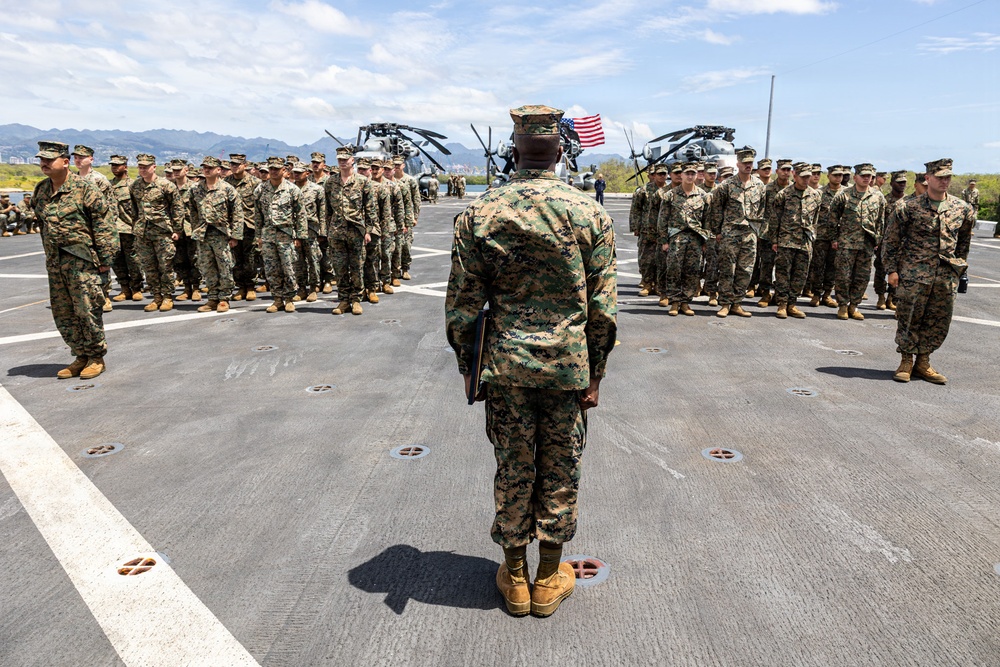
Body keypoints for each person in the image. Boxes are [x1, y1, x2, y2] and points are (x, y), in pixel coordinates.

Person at [445, 105, 617, 619]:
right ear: (561, 150)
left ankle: (515, 578)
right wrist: (595, 374)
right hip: (567, 368)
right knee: (560, 468)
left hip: (506, 367)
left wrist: (469, 369)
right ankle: (548, 578)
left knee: (514, 466)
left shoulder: (481, 212)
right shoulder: (588, 212)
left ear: (514, 149)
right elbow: (603, 313)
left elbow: (461, 310)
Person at [882, 158, 975, 384]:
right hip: (914, 274)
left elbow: (963, 242)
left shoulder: (962, 208)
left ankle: (923, 361)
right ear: (928, 178)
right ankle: (906, 360)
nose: (945, 181)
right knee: (909, 317)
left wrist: (958, 267)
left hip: (945, 276)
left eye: (948, 177)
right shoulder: (908, 207)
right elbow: (891, 241)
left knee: (938, 319)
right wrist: (892, 270)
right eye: (940, 177)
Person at [31, 141, 118, 380]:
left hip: (83, 261)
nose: (44, 164)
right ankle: (80, 355)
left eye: (49, 159)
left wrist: (105, 259)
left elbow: (104, 225)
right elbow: (41, 223)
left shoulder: (85, 188)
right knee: (63, 312)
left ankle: (96, 357)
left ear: (66, 162)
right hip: (56, 263)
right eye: (42, 160)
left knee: (87, 309)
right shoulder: (41, 190)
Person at [710, 146, 767, 318]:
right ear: (738, 164)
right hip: (730, 233)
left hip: (749, 234)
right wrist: (717, 232)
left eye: (750, 163)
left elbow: (762, 210)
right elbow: (716, 209)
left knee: (746, 270)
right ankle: (725, 303)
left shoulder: (759, 186)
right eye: (744, 163)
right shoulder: (726, 185)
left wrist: (758, 231)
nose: (748, 166)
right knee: (728, 269)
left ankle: (737, 303)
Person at [325, 147, 377, 315]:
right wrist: (327, 230)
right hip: (336, 232)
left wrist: (368, 230)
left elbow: (370, 209)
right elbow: (327, 210)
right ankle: (344, 300)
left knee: (356, 267)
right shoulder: (331, 182)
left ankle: (356, 299)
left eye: (345, 159)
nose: (342, 161)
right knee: (339, 268)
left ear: (352, 160)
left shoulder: (363, 182)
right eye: (339, 158)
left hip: (356, 231)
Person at [830, 163, 886, 321]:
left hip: (866, 244)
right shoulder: (844, 195)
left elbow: (881, 220)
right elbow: (832, 218)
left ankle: (854, 306)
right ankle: (842, 306)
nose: (867, 179)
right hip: (847, 243)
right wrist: (834, 238)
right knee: (843, 276)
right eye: (863, 176)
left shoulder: (878, 196)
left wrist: (878, 238)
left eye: (869, 176)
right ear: (855, 177)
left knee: (862, 277)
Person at [188, 156, 243, 313]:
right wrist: (195, 229)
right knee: (207, 267)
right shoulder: (196, 189)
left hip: (221, 234)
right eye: (204, 167)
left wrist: (235, 236)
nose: (206, 170)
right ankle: (212, 298)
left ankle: (224, 298)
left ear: (218, 170)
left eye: (210, 168)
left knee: (225, 266)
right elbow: (192, 211)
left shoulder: (227, 189)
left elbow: (237, 214)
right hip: (203, 234)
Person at [658, 162, 712, 315]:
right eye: (687, 173)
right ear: (681, 175)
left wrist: (705, 241)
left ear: (696, 175)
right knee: (674, 269)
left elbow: (707, 220)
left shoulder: (703, 196)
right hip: (676, 237)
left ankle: (686, 303)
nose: (690, 176)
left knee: (693, 271)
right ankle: (674, 302)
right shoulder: (670, 195)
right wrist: (664, 241)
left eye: (692, 173)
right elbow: (663, 219)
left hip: (695, 238)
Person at [130, 153, 182, 312]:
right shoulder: (135, 186)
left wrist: (177, 229)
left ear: (154, 167)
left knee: (165, 266)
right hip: (143, 233)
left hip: (162, 232)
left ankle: (167, 296)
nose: (143, 170)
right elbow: (134, 209)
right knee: (148, 267)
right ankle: (156, 296)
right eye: (140, 167)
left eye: (146, 167)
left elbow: (177, 208)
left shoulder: (166, 185)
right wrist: (135, 227)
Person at [769, 163, 821, 319]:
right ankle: (782, 304)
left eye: (808, 177)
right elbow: (774, 219)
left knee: (800, 275)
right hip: (786, 240)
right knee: (783, 274)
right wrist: (774, 240)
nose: (806, 180)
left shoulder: (815, 195)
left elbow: (815, 220)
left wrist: (813, 238)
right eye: (803, 177)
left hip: (805, 242)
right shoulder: (784, 195)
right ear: (795, 175)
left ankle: (792, 304)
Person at [255, 157, 305, 313]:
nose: (273, 171)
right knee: (271, 269)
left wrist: (299, 236)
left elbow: (300, 214)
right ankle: (277, 299)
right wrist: (258, 236)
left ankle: (289, 298)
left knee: (289, 268)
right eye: (271, 169)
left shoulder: (292, 189)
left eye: (277, 169)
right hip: (268, 234)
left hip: (286, 234)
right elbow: (258, 215)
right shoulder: (260, 189)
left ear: (284, 170)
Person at [108, 155, 144, 302]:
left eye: (118, 165)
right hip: (114, 230)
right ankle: (124, 288)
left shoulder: (133, 185)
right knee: (117, 261)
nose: (114, 167)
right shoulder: (108, 185)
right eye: (112, 165)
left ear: (125, 166)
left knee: (133, 260)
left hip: (130, 228)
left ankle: (136, 287)